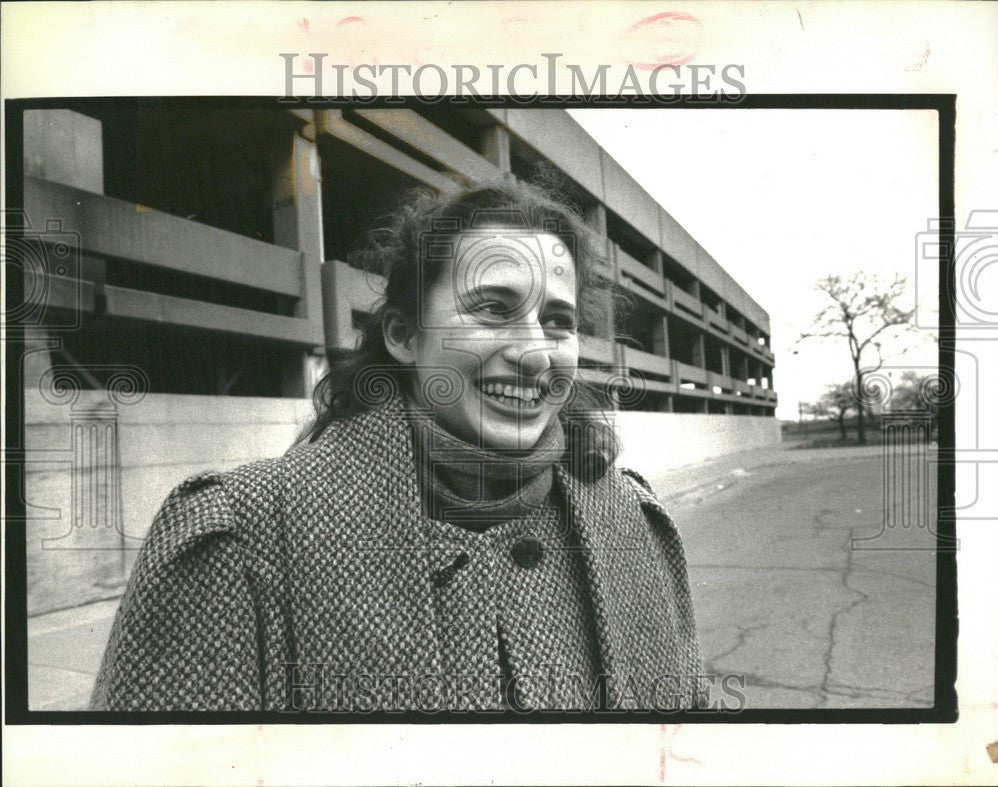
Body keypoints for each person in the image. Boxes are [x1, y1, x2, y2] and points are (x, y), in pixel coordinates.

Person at [91, 178, 703, 712]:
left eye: (558, 322)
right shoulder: (236, 539)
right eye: (493, 309)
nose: (537, 353)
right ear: (405, 335)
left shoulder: (634, 525)